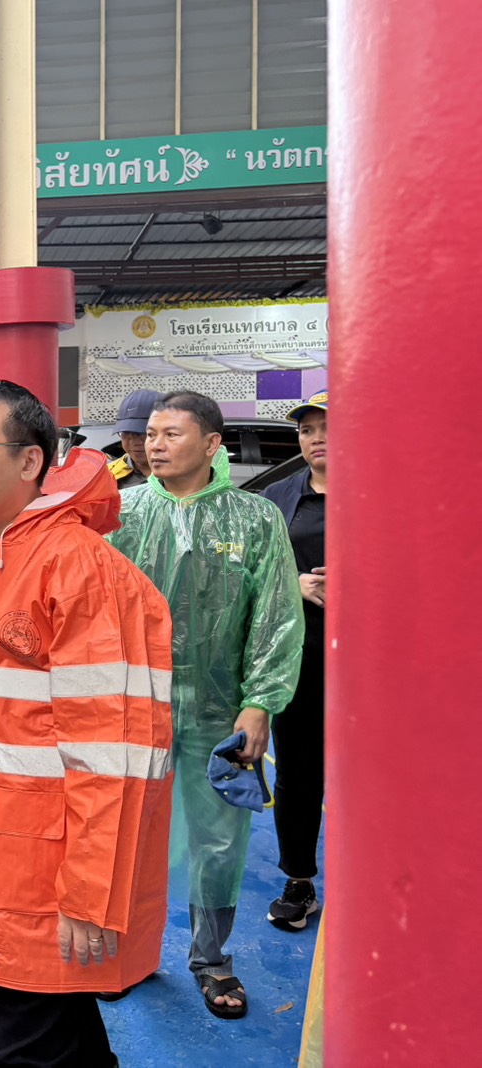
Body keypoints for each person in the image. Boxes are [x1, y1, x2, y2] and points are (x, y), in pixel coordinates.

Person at [0, 378, 174, 1068]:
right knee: (58, 1036)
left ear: (30, 460)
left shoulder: (81, 570)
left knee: (24, 1046)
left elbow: (116, 749)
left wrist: (92, 893)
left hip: (49, 875)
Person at [108, 390, 303, 1020]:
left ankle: (211, 958)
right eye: (152, 434)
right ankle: (127, 953)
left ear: (212, 443)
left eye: (172, 434)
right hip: (132, 706)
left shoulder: (255, 519)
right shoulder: (121, 514)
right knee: (128, 832)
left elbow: (276, 614)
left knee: (218, 839)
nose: (155, 444)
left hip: (220, 712)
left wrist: (260, 702)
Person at [260, 390, 329, 931]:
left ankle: (381, 878)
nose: (316, 438)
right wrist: (293, 583)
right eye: (307, 430)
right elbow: (253, 572)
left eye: (328, 427)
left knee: (375, 774)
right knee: (298, 771)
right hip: (300, 656)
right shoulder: (279, 496)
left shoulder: (387, 490)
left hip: (374, 664)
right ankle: (299, 879)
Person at [109, 389, 157, 489]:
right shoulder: (107, 476)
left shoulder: (186, 472)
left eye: (142, 433)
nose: (134, 442)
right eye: (125, 433)